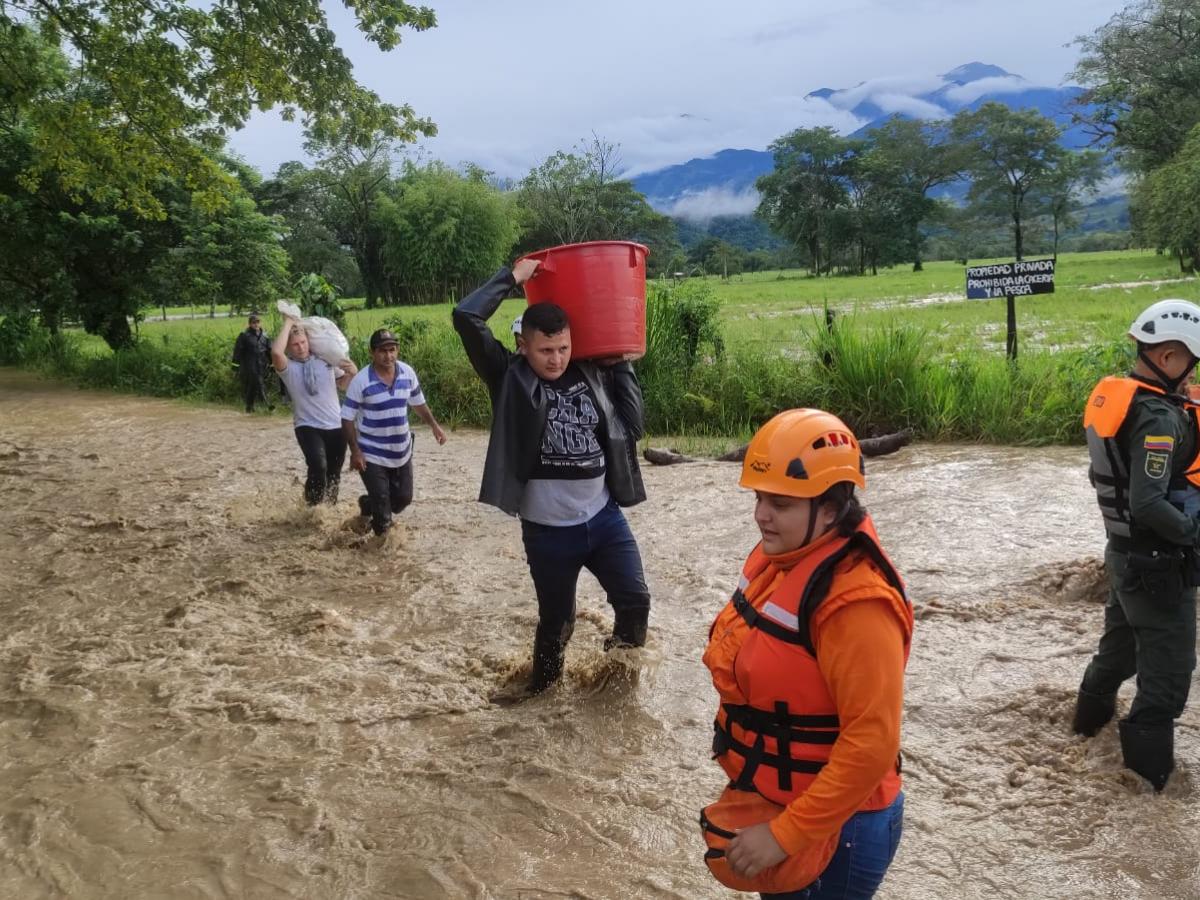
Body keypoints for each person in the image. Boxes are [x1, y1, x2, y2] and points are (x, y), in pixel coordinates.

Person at [699, 409, 913, 899]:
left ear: (832, 509)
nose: (761, 514)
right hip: (783, 801)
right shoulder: (782, 559)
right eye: (758, 498)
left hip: (841, 829)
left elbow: (872, 744)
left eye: (780, 503)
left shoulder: (857, 604)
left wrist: (782, 837)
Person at [452, 259, 651, 698]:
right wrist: (512, 277)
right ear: (523, 346)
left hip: (604, 520)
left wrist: (621, 364)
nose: (557, 359)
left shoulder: (591, 370)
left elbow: (632, 427)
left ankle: (613, 687)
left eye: (563, 348)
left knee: (636, 601)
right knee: (558, 622)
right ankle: (542, 695)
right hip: (548, 532)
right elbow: (465, 316)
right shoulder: (508, 377)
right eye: (545, 351)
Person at [1073, 298, 1200, 791]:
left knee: (1118, 656)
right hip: (1158, 567)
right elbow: (1147, 502)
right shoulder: (1158, 419)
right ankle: (1149, 794)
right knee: (1167, 680)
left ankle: (1082, 735)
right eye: (1191, 364)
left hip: (1126, 558)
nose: (1192, 376)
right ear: (1168, 357)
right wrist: (1192, 533)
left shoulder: (1130, 402)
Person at [341, 328, 446, 536]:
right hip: (372, 454)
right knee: (383, 514)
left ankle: (368, 504)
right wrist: (355, 451)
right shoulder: (361, 381)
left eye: (392, 350)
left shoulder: (407, 373)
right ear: (372, 352)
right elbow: (346, 417)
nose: (388, 356)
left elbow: (418, 403)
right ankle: (381, 549)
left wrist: (434, 426)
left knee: (403, 499)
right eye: (383, 351)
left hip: (401, 451)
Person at [271, 316, 357, 505]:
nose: (301, 347)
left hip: (336, 425)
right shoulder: (288, 368)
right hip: (307, 426)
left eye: (303, 342)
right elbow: (276, 353)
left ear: (309, 341)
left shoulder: (325, 361)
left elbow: (343, 385)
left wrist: (353, 373)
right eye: (295, 345)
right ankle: (311, 509)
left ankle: (328, 511)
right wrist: (288, 322)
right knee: (318, 466)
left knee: (334, 474)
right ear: (288, 348)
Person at [232, 313, 273, 413]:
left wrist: (273, 364)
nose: (256, 324)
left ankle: (249, 407)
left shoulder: (265, 336)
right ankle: (267, 404)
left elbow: (269, 351)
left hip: (262, 365)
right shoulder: (244, 336)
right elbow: (237, 351)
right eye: (254, 322)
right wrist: (235, 366)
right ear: (250, 324)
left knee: (252, 385)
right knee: (258, 382)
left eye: (258, 322)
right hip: (249, 365)